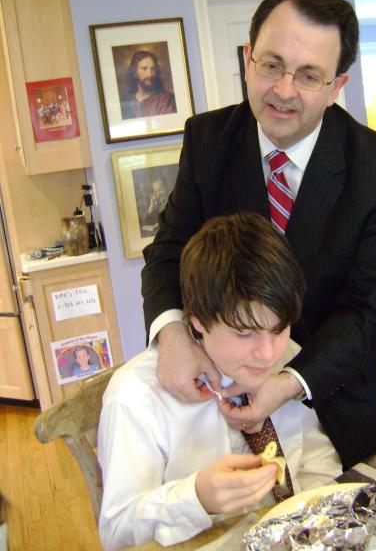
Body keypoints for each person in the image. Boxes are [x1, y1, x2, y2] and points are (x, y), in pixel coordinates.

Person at [141, 0, 376, 471]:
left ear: (336, 86)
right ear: (248, 60)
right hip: (228, 399)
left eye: (309, 75)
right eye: (271, 65)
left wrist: (288, 382)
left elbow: (370, 307)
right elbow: (169, 253)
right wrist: (173, 335)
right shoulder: (207, 141)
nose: (284, 91)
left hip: (342, 403)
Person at [99, 213, 342, 550]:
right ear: (197, 321)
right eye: (244, 333)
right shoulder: (136, 398)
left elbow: (316, 459)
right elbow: (117, 533)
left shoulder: (287, 358)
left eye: (279, 329)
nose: (267, 353)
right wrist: (195, 497)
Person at [121, 50, 176, 119]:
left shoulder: (166, 100)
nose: (150, 74)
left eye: (153, 69)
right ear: (134, 72)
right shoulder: (125, 101)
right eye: (144, 69)